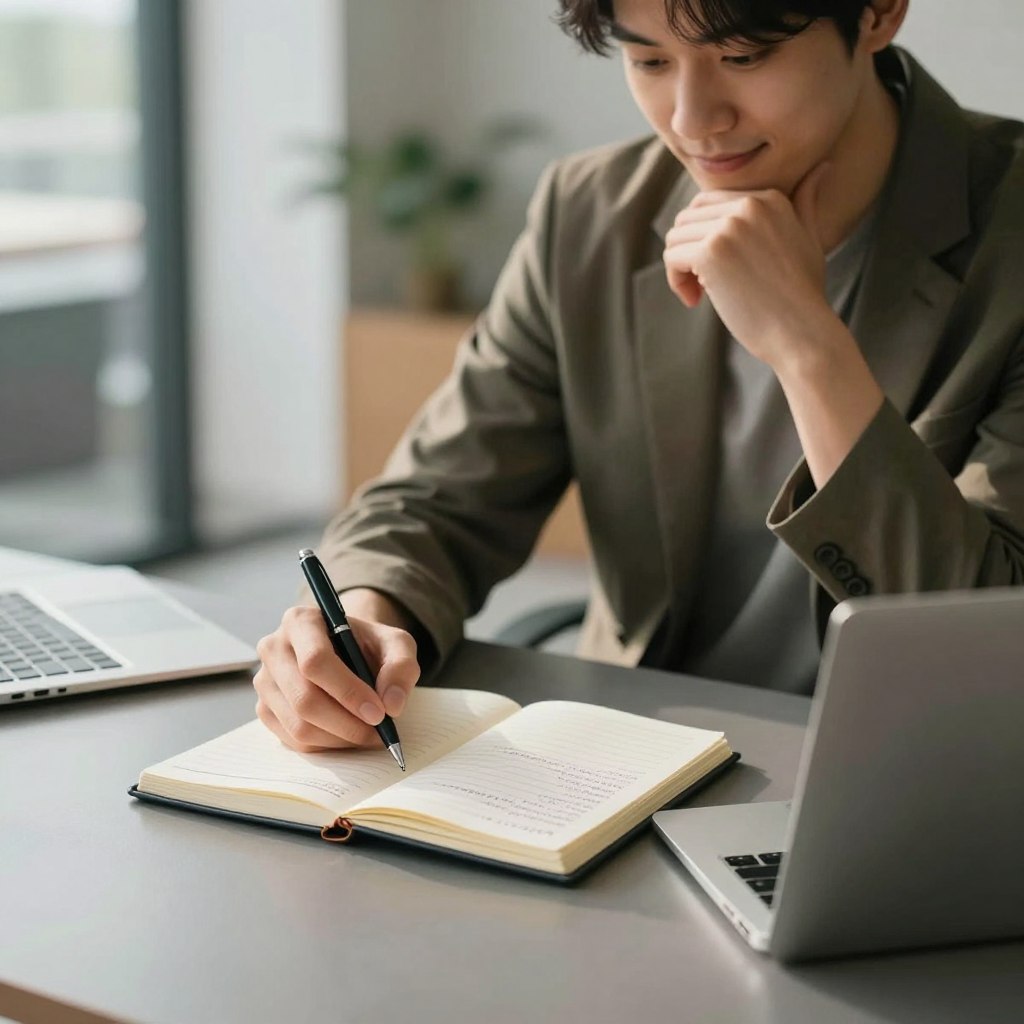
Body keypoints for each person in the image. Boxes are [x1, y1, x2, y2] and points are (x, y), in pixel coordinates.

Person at [253, 0, 1024, 753]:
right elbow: (437, 499)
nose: (692, 118)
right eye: (649, 59)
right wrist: (359, 616)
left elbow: (988, 648)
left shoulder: (1008, 230)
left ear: (879, 13)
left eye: (743, 57)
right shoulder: (589, 214)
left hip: (907, 774)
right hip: (629, 758)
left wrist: (807, 350)